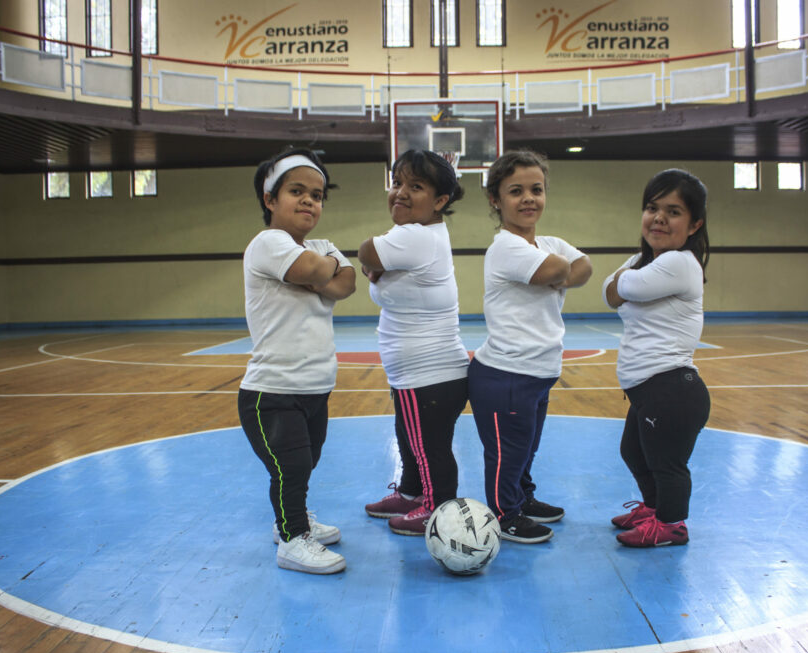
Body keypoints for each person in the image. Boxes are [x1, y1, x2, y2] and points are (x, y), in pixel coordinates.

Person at [237, 148, 356, 574]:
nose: (309, 201)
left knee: (304, 465)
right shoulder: (268, 243)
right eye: (297, 191)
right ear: (270, 199)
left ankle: (293, 519)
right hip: (273, 390)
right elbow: (316, 269)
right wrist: (319, 271)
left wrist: (319, 273)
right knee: (292, 465)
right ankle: (291, 540)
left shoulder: (320, 245)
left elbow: (346, 283)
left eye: (317, 195)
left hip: (314, 387)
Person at [468, 149, 592, 544]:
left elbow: (584, 268)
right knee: (508, 452)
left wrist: (559, 271)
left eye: (536, 190)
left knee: (525, 449)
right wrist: (559, 271)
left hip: (537, 370)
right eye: (515, 191)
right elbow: (560, 268)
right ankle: (505, 515)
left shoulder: (547, 241)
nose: (528, 199)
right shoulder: (505, 247)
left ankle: (521, 498)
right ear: (495, 200)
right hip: (508, 373)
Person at [359, 150, 470, 536]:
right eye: (397, 183)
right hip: (425, 374)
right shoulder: (423, 234)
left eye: (416, 187)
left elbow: (366, 253)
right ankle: (410, 493)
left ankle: (438, 508)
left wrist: (374, 262)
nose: (401, 193)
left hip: (428, 375)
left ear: (440, 201)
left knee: (429, 448)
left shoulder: (415, 236)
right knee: (412, 439)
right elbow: (374, 263)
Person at [602, 169, 711, 548]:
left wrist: (626, 280)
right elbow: (608, 291)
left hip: (671, 390)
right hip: (651, 389)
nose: (659, 218)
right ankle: (653, 508)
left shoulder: (679, 262)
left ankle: (671, 524)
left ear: (694, 224)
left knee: (666, 463)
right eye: (652, 208)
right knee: (633, 451)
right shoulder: (649, 259)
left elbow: (624, 285)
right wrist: (624, 281)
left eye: (674, 211)